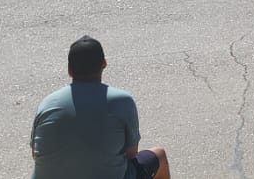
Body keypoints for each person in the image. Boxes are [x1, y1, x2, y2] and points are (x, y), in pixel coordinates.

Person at [30, 36, 171, 179]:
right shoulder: (122, 101)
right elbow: (131, 154)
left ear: (69, 70)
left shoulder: (47, 103)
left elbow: (35, 154)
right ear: (104, 64)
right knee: (159, 155)